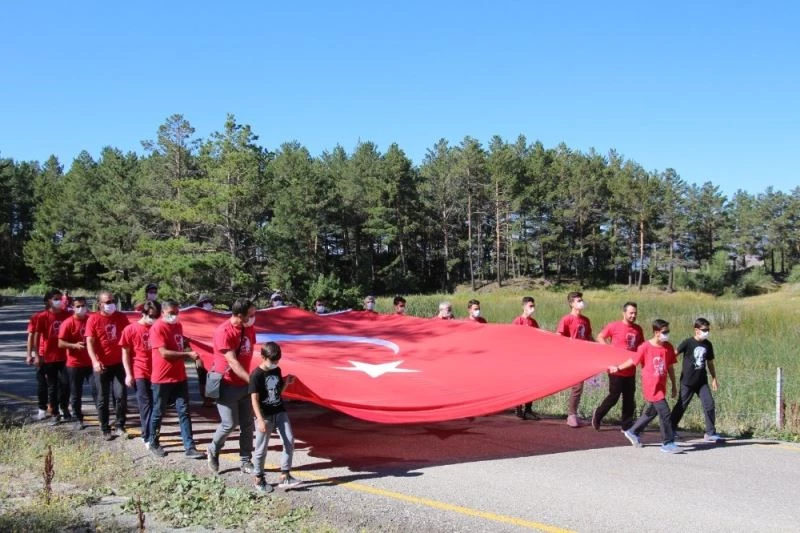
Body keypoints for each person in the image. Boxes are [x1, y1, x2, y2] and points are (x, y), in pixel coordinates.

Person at [610, 319, 681, 454]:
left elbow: (670, 366)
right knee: (665, 413)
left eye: (668, 332)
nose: (667, 334)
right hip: (651, 386)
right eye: (664, 332)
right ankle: (668, 442)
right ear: (656, 332)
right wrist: (618, 368)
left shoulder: (668, 347)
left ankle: (633, 431)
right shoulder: (645, 347)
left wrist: (673, 384)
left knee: (652, 412)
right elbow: (633, 360)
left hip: (661, 385)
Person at [147, 300, 205, 459]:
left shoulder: (178, 326)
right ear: (163, 312)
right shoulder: (158, 327)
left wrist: (189, 346)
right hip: (162, 378)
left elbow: (179, 344)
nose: (174, 316)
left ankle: (189, 446)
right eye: (171, 313)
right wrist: (187, 355)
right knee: (158, 412)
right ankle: (153, 442)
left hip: (179, 376)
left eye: (176, 313)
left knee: (184, 411)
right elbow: (164, 353)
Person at [207, 298, 257, 474]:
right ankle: (213, 449)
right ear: (240, 315)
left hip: (244, 384)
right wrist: (252, 381)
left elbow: (249, 353)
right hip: (227, 384)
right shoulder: (223, 332)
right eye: (251, 315)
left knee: (247, 424)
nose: (254, 318)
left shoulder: (248, 328)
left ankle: (246, 460)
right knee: (229, 424)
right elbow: (233, 363)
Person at [249, 342, 302, 493]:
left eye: (277, 360)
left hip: (279, 411)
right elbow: (254, 399)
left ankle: (285, 475)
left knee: (289, 440)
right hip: (264, 415)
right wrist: (259, 420)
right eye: (272, 361)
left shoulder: (276, 370)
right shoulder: (256, 375)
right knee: (261, 448)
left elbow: (278, 393)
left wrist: (286, 383)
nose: (275, 363)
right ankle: (258, 477)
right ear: (263, 357)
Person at [592, 302, 645, 431]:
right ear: (624, 313)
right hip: (615, 368)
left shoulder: (638, 329)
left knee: (629, 398)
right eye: (631, 313)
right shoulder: (614, 326)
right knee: (614, 396)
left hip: (630, 368)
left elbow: (642, 347)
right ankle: (598, 415)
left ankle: (626, 425)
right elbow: (600, 337)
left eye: (635, 313)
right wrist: (609, 349)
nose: (633, 315)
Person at [85, 291, 132, 440]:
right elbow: (90, 342)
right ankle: (105, 427)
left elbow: (129, 336)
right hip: (102, 365)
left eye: (112, 301)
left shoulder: (121, 317)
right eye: (107, 302)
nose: (110, 304)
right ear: (100, 304)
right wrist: (94, 361)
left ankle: (120, 425)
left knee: (120, 396)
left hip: (119, 364)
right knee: (102, 398)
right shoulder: (93, 319)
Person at [670, 318, 723, 442]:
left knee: (709, 404)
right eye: (704, 330)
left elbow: (710, 363)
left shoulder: (708, 345)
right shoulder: (688, 343)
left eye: (708, 330)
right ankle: (670, 428)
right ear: (696, 330)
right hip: (687, 382)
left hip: (702, 382)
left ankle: (710, 432)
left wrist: (714, 378)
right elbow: (674, 354)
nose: (706, 332)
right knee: (681, 406)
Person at [120, 301, 159, 448]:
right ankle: (148, 435)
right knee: (145, 405)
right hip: (140, 371)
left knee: (157, 404)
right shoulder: (130, 329)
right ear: (143, 314)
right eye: (151, 315)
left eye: (156, 316)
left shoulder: (158, 328)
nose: (154, 318)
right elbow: (125, 353)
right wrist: (128, 374)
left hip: (157, 372)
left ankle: (150, 432)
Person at [58, 297, 97, 430]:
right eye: (78, 306)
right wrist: (74, 345)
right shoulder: (68, 323)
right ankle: (77, 418)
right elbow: (61, 343)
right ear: (73, 308)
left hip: (91, 362)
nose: (81, 308)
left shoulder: (91, 319)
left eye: (83, 305)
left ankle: (103, 417)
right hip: (74, 364)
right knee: (76, 393)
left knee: (97, 389)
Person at [35, 289, 72, 424]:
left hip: (65, 355)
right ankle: (54, 412)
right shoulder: (42, 316)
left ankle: (64, 407)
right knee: (52, 386)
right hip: (49, 356)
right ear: (49, 301)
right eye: (56, 298)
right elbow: (36, 336)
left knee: (66, 384)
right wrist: (37, 355)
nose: (59, 301)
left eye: (60, 298)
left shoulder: (67, 315)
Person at [556, 291, 593, 427]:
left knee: (579, 387)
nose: (581, 302)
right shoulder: (567, 319)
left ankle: (573, 414)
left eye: (581, 300)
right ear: (571, 303)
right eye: (578, 300)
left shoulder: (586, 320)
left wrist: (599, 348)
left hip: (583, 357)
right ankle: (571, 415)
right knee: (577, 386)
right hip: (572, 357)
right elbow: (558, 336)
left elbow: (589, 337)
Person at [512, 296, 540, 420]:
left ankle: (528, 409)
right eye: (530, 306)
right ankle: (518, 408)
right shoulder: (517, 321)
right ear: (523, 307)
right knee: (519, 382)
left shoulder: (533, 322)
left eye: (533, 306)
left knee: (531, 383)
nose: (532, 308)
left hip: (532, 357)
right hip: (519, 357)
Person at [26, 296, 50, 420]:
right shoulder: (37, 316)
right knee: (42, 383)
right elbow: (31, 336)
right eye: (55, 299)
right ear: (47, 302)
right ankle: (42, 408)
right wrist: (30, 354)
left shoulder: (64, 315)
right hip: (42, 354)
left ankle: (61, 407)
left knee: (61, 383)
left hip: (59, 355)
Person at [194, 294, 215, 407]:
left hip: (214, 353)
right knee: (202, 377)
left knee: (213, 377)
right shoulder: (196, 320)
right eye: (204, 303)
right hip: (200, 354)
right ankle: (206, 400)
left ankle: (211, 398)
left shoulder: (215, 317)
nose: (207, 304)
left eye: (209, 302)